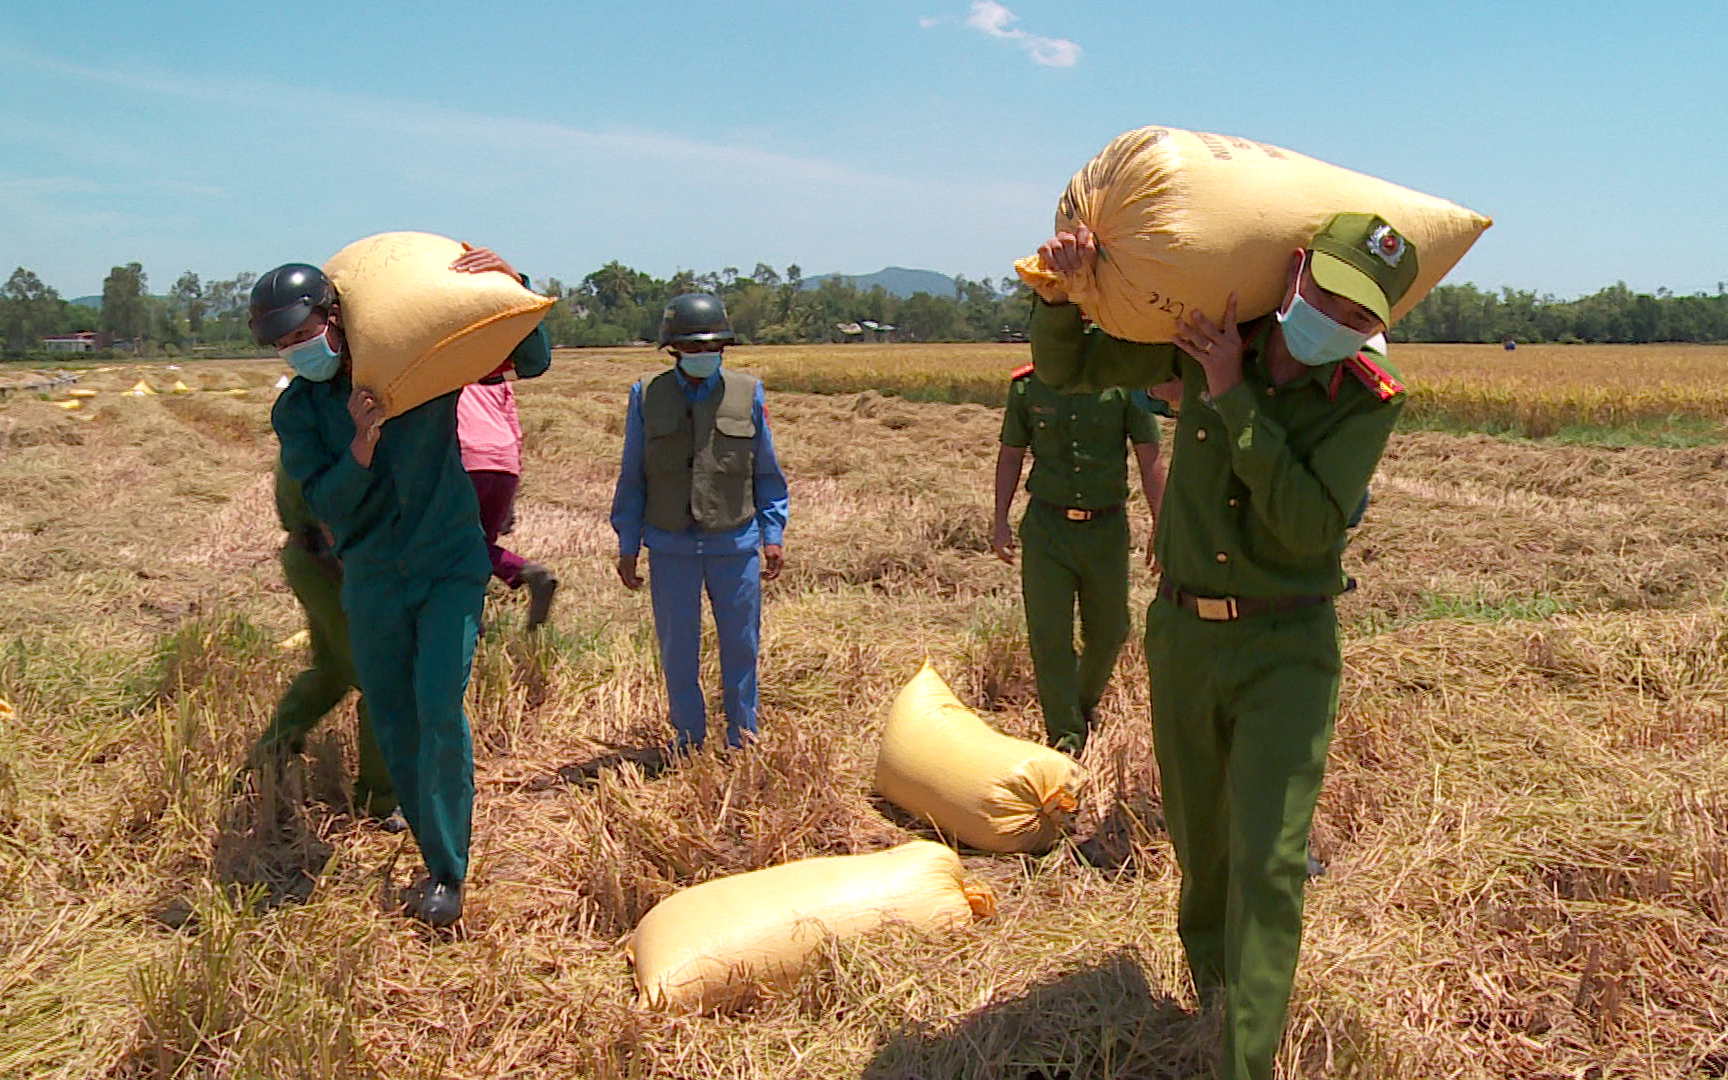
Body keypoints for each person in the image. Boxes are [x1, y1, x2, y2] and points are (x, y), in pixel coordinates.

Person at [1031, 213, 1414, 1080]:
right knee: (1202, 843)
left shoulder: (1363, 398)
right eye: (1323, 292)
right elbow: (1072, 368)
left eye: (1357, 314)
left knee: (1272, 858)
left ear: (1376, 325)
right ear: (1292, 273)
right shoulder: (1208, 335)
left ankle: (1246, 1058)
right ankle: (1213, 991)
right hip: (1184, 636)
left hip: (1288, 643)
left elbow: (1308, 524)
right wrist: (1060, 290)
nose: (1334, 319)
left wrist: (1232, 393)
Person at [256, 247, 550, 927]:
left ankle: (448, 871)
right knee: (396, 717)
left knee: (439, 706)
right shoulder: (299, 413)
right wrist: (361, 441)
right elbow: (328, 501)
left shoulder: (414, 370)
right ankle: (429, 844)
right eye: (286, 345)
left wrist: (513, 284)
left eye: (307, 334)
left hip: (447, 563)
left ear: (336, 319)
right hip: (372, 576)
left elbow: (527, 359)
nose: (300, 351)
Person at [610, 293, 788, 753]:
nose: (704, 356)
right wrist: (628, 542)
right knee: (678, 651)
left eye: (712, 348)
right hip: (671, 546)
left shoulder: (748, 392)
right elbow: (632, 475)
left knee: (742, 646)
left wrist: (773, 534)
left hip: (735, 541)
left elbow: (766, 471)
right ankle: (687, 741)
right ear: (674, 350)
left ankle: (743, 740)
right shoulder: (646, 395)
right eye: (692, 349)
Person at [991, 365, 1165, 754]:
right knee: (1050, 636)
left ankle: (1079, 704)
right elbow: (1010, 455)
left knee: (1111, 630)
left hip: (1105, 530)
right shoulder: (1028, 387)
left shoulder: (1125, 385)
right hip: (1046, 530)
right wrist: (1000, 520)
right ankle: (1066, 736)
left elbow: (1150, 457)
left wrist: (1161, 524)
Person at [241, 458, 399, 826]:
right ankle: (381, 799)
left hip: (319, 560)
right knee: (384, 680)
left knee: (331, 669)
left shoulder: (319, 423)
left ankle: (269, 755)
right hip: (331, 563)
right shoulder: (325, 432)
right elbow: (332, 515)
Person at [456, 305, 557, 630]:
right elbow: (513, 427)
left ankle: (477, 620)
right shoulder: (498, 369)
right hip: (503, 463)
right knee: (477, 545)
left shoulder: (443, 368)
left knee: (454, 548)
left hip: (465, 461)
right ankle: (481, 616)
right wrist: (511, 496)